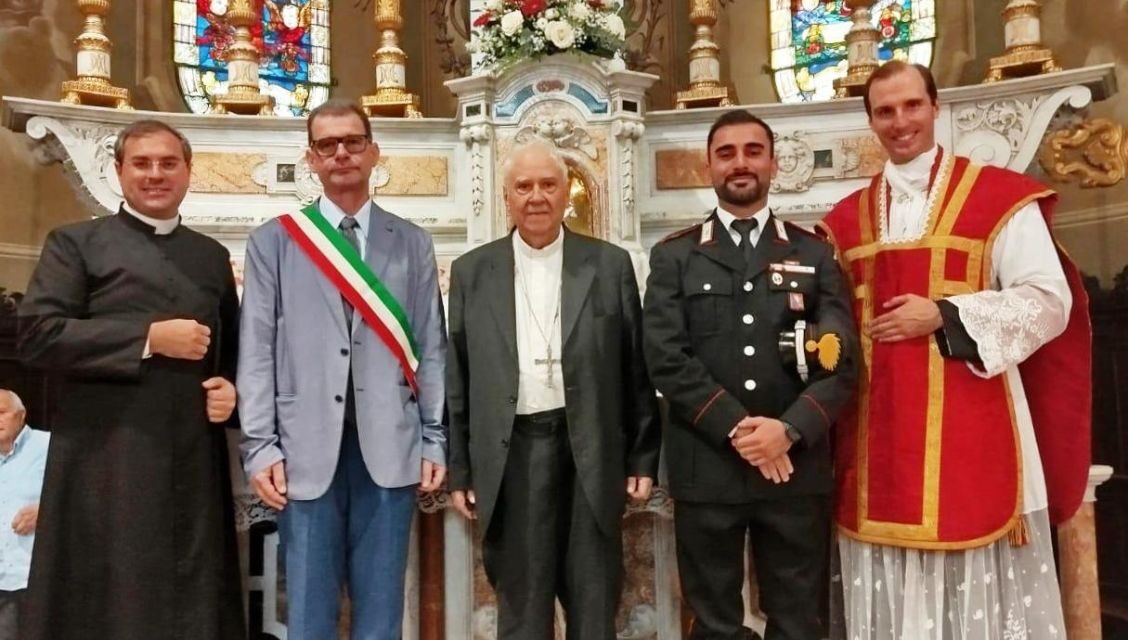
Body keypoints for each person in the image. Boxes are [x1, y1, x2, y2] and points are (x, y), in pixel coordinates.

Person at [818, 60, 1091, 640]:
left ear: (935, 108)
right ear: (870, 121)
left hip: (972, 427)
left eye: (912, 106)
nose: (900, 122)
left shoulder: (998, 199)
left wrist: (943, 314)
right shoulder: (843, 222)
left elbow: (1048, 301)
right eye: (885, 111)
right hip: (878, 443)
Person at [17, 120, 244, 639]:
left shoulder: (210, 256)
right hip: (104, 459)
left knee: (188, 591)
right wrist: (147, 339)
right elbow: (37, 336)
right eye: (141, 163)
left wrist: (232, 388)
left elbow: (232, 350)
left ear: (188, 172)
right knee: (112, 594)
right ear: (118, 171)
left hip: (190, 460)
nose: (155, 174)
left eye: (168, 163)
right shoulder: (76, 244)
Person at [643, 109, 858, 640]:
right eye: (726, 153)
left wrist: (786, 431)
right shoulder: (676, 256)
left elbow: (841, 360)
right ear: (709, 167)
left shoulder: (813, 253)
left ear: (773, 163)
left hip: (794, 466)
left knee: (797, 618)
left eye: (752, 151)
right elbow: (666, 356)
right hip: (708, 464)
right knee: (713, 620)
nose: (740, 163)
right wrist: (740, 428)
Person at [238, 98, 447, 640]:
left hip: (390, 445)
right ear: (311, 159)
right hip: (303, 448)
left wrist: (433, 437)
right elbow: (256, 350)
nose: (341, 154)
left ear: (373, 152)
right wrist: (260, 445)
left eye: (353, 142)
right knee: (308, 610)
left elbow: (431, 346)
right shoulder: (275, 241)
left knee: (382, 613)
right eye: (327, 145)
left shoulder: (412, 242)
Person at [446, 139, 660, 640]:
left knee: (594, 601)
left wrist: (642, 459)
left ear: (569, 193)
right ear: (507, 197)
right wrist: (461, 467)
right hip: (513, 452)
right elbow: (457, 378)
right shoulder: (472, 271)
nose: (536, 196)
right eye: (524, 186)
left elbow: (636, 369)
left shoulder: (608, 265)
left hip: (589, 448)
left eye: (548, 185)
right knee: (521, 607)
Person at [0, 390, 48, 640]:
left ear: (21, 415)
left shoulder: (50, 446)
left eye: (1, 413)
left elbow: (83, 497)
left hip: (36, 581)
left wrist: (45, 512)